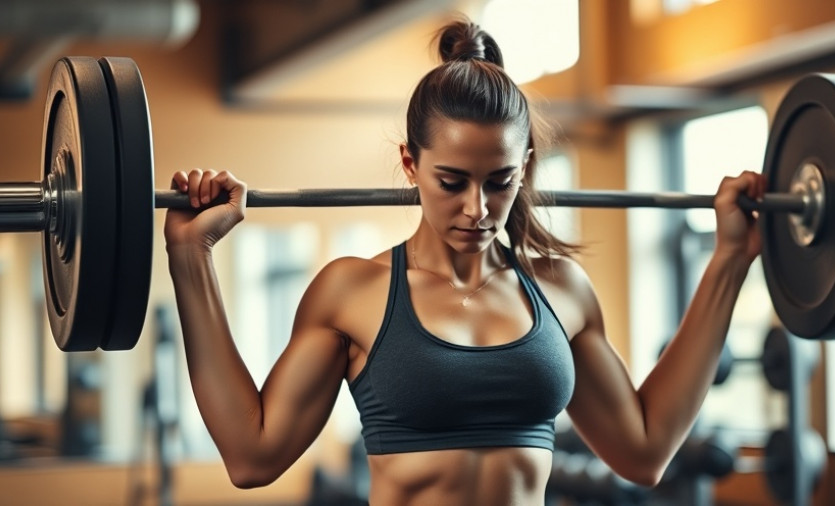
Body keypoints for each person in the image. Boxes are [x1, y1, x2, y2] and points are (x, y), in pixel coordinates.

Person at [164, 17, 766, 506]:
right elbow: (252, 457)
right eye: (451, 182)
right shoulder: (353, 291)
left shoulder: (561, 291)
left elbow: (645, 451)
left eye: (499, 181)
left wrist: (730, 260)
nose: (478, 209)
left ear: (525, 166)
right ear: (411, 163)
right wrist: (191, 256)